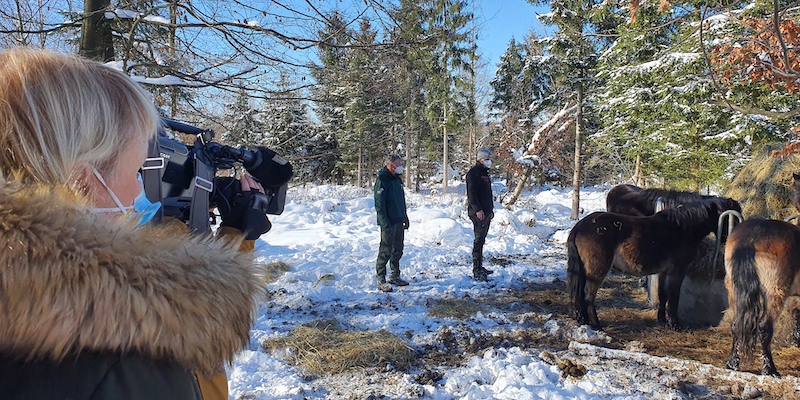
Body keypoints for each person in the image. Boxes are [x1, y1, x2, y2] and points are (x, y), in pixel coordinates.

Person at [0, 48, 262, 399]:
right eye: (137, 169)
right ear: (81, 181)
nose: (142, 187)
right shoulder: (122, 360)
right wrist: (237, 237)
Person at [374, 154, 410, 292]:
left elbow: (401, 200)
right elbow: (379, 204)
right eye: (398, 164)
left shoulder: (397, 179)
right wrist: (384, 222)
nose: (401, 166)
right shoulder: (383, 180)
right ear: (391, 165)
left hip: (399, 219)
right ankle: (381, 279)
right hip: (388, 222)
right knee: (385, 250)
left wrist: (405, 217)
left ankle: (395, 275)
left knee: (398, 249)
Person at [466, 149, 495, 281]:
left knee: (482, 240)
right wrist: (478, 210)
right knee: (478, 240)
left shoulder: (484, 173)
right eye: (487, 159)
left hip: (486, 211)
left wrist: (490, 210)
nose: (489, 162)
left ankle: (480, 266)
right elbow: (472, 194)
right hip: (478, 213)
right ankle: (476, 269)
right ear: (481, 159)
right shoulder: (474, 173)